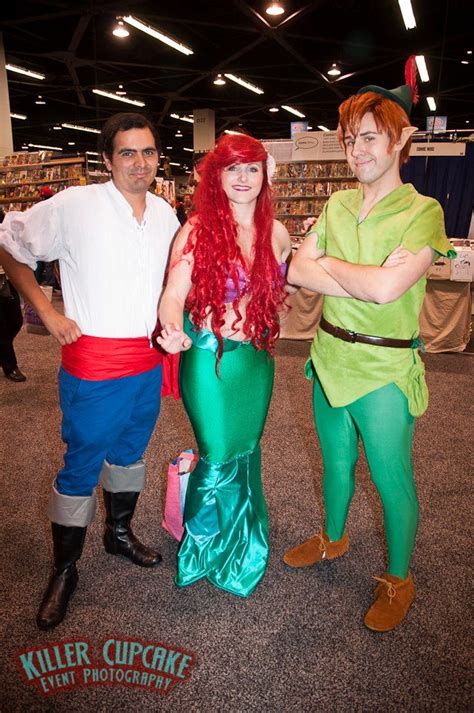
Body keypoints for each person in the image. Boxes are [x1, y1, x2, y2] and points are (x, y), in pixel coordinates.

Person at [283, 67, 455, 631]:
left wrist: (324, 265)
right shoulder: (334, 204)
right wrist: (333, 270)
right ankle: (333, 538)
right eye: (350, 138)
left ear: (401, 139)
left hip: (383, 367)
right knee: (335, 463)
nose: (356, 150)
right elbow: (296, 270)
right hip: (328, 357)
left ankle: (399, 578)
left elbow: (386, 291)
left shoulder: (423, 211)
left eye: (369, 137)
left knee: (390, 478)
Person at [0, 112, 180, 629]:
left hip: (148, 362)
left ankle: (117, 533)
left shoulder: (166, 214)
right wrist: (46, 310)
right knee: (81, 464)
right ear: (107, 159)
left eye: (148, 152)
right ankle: (64, 568)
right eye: (127, 153)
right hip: (94, 363)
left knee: (129, 454)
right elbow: (10, 246)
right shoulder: (74, 206)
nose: (140, 163)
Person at [156, 133, 293, 597]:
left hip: (256, 361)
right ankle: (204, 550)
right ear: (215, 175)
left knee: (247, 451)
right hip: (209, 361)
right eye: (232, 168)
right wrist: (171, 328)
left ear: (264, 175)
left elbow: (289, 281)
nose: (242, 178)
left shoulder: (277, 232)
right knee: (215, 455)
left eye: (251, 168)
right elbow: (174, 292)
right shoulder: (195, 229)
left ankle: (247, 541)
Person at [0, 208, 26, 382]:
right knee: (0, 327)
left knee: (16, 320)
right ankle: (10, 365)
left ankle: (2, 351)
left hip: (7, 278)